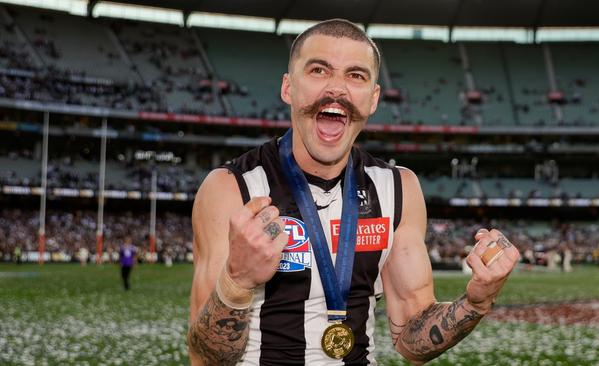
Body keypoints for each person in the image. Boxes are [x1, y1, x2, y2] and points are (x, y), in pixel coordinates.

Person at [187, 19, 520, 365]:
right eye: (319, 70)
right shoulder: (231, 187)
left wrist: (477, 301)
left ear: (373, 99)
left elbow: (411, 339)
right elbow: (205, 356)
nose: (337, 89)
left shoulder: (398, 188)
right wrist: (236, 282)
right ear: (288, 88)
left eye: (356, 76)